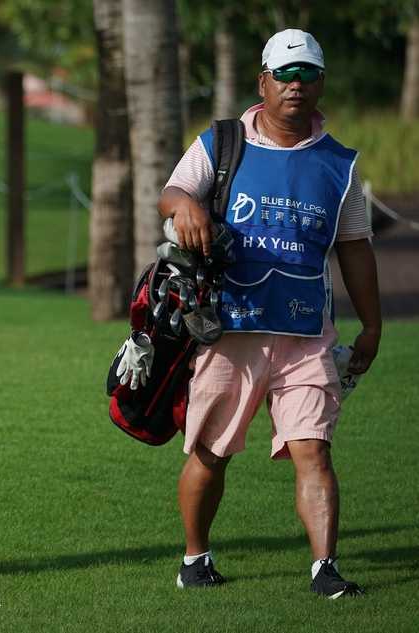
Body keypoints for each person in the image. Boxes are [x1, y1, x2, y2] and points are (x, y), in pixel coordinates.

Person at [157, 29, 381, 598]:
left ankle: (324, 569)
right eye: (285, 75)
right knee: (211, 451)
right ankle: (194, 557)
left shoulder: (341, 166)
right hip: (229, 327)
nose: (295, 86)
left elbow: (354, 246)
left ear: (321, 83)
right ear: (263, 82)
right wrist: (185, 206)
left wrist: (372, 324)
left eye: (307, 74)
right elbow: (175, 191)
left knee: (314, 449)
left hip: (307, 332)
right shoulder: (222, 142)